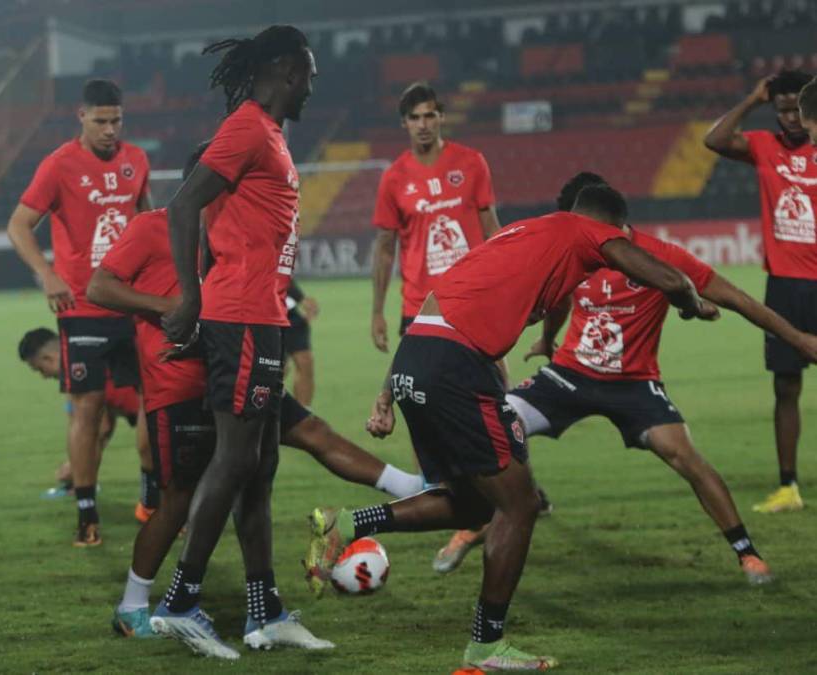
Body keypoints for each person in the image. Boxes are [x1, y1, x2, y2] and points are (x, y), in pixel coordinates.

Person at [305, 185, 718, 671]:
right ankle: (486, 647)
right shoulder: (585, 230)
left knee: (476, 502)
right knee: (519, 504)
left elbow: (439, 299)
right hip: (458, 366)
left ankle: (348, 525)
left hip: (420, 354)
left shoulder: (521, 235)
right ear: (611, 226)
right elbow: (666, 276)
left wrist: (389, 388)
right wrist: (692, 303)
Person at [88, 147, 423, 641]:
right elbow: (99, 286)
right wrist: (172, 308)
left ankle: (414, 488)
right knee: (179, 499)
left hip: (233, 370)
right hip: (178, 385)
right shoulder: (151, 228)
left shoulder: (236, 233)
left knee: (301, 439)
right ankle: (134, 605)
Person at [434, 173, 817, 583]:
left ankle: (747, 554)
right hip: (569, 376)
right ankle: (478, 521)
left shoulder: (658, 256)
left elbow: (737, 299)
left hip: (635, 384)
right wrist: (547, 339)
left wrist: (795, 337)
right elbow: (560, 297)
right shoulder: (574, 251)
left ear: (613, 226)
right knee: (493, 425)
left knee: (684, 455)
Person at [153, 26, 330, 657]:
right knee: (235, 460)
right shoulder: (249, 126)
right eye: (308, 71)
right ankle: (181, 602)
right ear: (285, 71)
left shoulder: (269, 136)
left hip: (262, 317)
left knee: (261, 466)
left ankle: (264, 610)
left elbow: (216, 223)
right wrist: (192, 297)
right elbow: (181, 207)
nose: (313, 83)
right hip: (244, 318)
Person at [7, 79, 152, 545]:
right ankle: (87, 514)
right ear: (82, 117)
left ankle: (152, 500)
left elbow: (150, 222)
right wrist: (48, 275)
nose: (111, 130)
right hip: (83, 305)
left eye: (117, 120)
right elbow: (19, 226)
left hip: (132, 303)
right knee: (87, 409)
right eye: (101, 120)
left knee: (156, 400)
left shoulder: (138, 160)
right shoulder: (59, 165)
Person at [704, 69, 816, 513]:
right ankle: (788, 486)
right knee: (786, 387)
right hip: (786, 286)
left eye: (796, 110)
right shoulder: (764, 148)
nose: (790, 118)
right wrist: (752, 99)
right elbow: (714, 141)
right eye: (782, 110)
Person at [371, 82, 501, 352]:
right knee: (420, 391)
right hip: (420, 305)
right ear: (404, 124)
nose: (423, 125)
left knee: (488, 384)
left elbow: (492, 230)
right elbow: (385, 248)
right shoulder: (394, 178)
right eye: (414, 117)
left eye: (429, 115)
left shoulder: (472, 163)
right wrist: (377, 312)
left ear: (441, 117)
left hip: (472, 297)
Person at [17, 327, 157, 519]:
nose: (44, 376)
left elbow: (98, 428)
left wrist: (78, 466)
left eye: (40, 369)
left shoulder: (85, 371)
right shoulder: (91, 360)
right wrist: (78, 466)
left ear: (48, 358)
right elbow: (103, 427)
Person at [284, 280, 319, 406]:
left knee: (305, 362)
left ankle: (303, 416)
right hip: (262, 309)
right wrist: (301, 298)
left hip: (288, 309)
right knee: (279, 368)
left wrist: (301, 299)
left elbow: (282, 269)